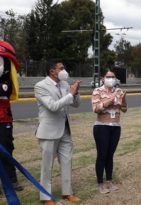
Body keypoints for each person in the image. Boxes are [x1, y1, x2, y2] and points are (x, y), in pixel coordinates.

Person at [34, 61, 81, 205]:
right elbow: (53, 106)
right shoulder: (41, 86)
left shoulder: (64, 84)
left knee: (67, 161)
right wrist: (70, 94)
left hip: (65, 129)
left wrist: (76, 92)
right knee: (47, 166)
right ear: (52, 71)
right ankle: (46, 197)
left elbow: (76, 104)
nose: (64, 70)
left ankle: (67, 192)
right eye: (61, 68)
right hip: (48, 132)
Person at [91, 70, 127, 194]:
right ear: (103, 78)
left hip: (116, 126)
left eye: (112, 77)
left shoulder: (119, 91)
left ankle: (109, 181)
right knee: (102, 155)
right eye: (108, 77)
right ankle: (100, 182)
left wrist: (123, 100)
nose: (110, 78)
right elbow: (96, 109)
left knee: (110, 155)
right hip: (102, 127)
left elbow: (124, 109)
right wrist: (110, 101)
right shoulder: (97, 91)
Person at [0, 40, 23, 192]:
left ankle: (11, 179)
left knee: (6, 148)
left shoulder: (6, 82)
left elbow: (4, 92)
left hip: (4, 119)